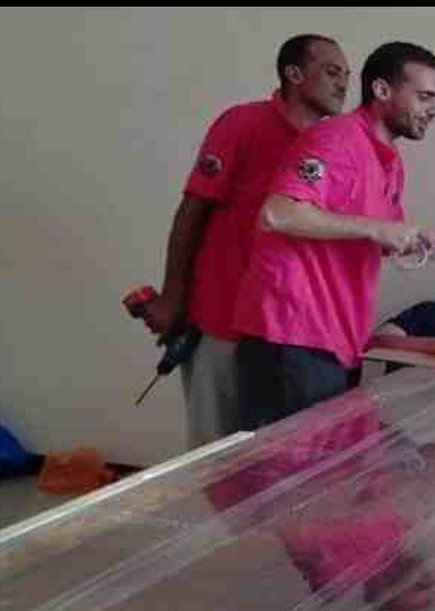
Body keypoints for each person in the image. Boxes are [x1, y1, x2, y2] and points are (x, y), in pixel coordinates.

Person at [139, 34, 351, 448]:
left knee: (275, 459)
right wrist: (171, 298)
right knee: (214, 455)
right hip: (222, 320)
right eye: (331, 71)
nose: (343, 83)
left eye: (346, 73)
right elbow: (191, 212)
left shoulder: (335, 145)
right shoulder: (243, 124)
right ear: (294, 74)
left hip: (291, 334)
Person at [231, 41, 435, 431]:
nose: (433, 110)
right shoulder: (336, 139)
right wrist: (377, 227)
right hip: (292, 334)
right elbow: (278, 213)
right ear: (382, 90)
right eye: (423, 97)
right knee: (284, 467)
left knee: (321, 466)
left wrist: (419, 240)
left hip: (336, 340)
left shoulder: (390, 162)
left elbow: (376, 239)